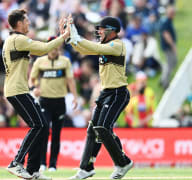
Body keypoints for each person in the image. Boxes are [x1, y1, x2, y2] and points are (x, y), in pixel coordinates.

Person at [3, 9, 70, 180]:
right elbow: (44, 49)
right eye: (26, 21)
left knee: (42, 126)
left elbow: (42, 48)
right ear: (18, 24)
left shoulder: (14, 40)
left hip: (19, 90)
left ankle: (32, 171)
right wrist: (63, 36)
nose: (29, 23)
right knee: (38, 125)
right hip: (16, 90)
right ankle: (16, 163)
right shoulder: (18, 39)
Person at [63, 16, 133, 179]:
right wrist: (69, 37)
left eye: (102, 29)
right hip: (106, 93)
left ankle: (123, 162)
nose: (99, 31)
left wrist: (76, 36)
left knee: (103, 128)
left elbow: (90, 46)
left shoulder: (117, 45)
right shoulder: (103, 46)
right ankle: (86, 168)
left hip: (118, 93)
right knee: (92, 129)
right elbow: (84, 49)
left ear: (112, 30)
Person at [29, 36, 78, 172]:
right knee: (44, 131)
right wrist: (34, 88)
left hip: (59, 101)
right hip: (44, 101)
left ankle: (53, 165)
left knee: (56, 134)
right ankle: (42, 162)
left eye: (57, 47)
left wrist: (74, 97)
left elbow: (70, 80)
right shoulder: (40, 62)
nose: (54, 50)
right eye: (52, 47)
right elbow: (31, 79)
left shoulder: (65, 61)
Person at [159, 5, 177, 89]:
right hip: (168, 47)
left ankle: (162, 80)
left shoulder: (167, 20)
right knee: (170, 64)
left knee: (170, 63)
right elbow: (166, 34)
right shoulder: (166, 21)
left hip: (167, 46)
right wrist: (172, 45)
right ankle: (165, 83)